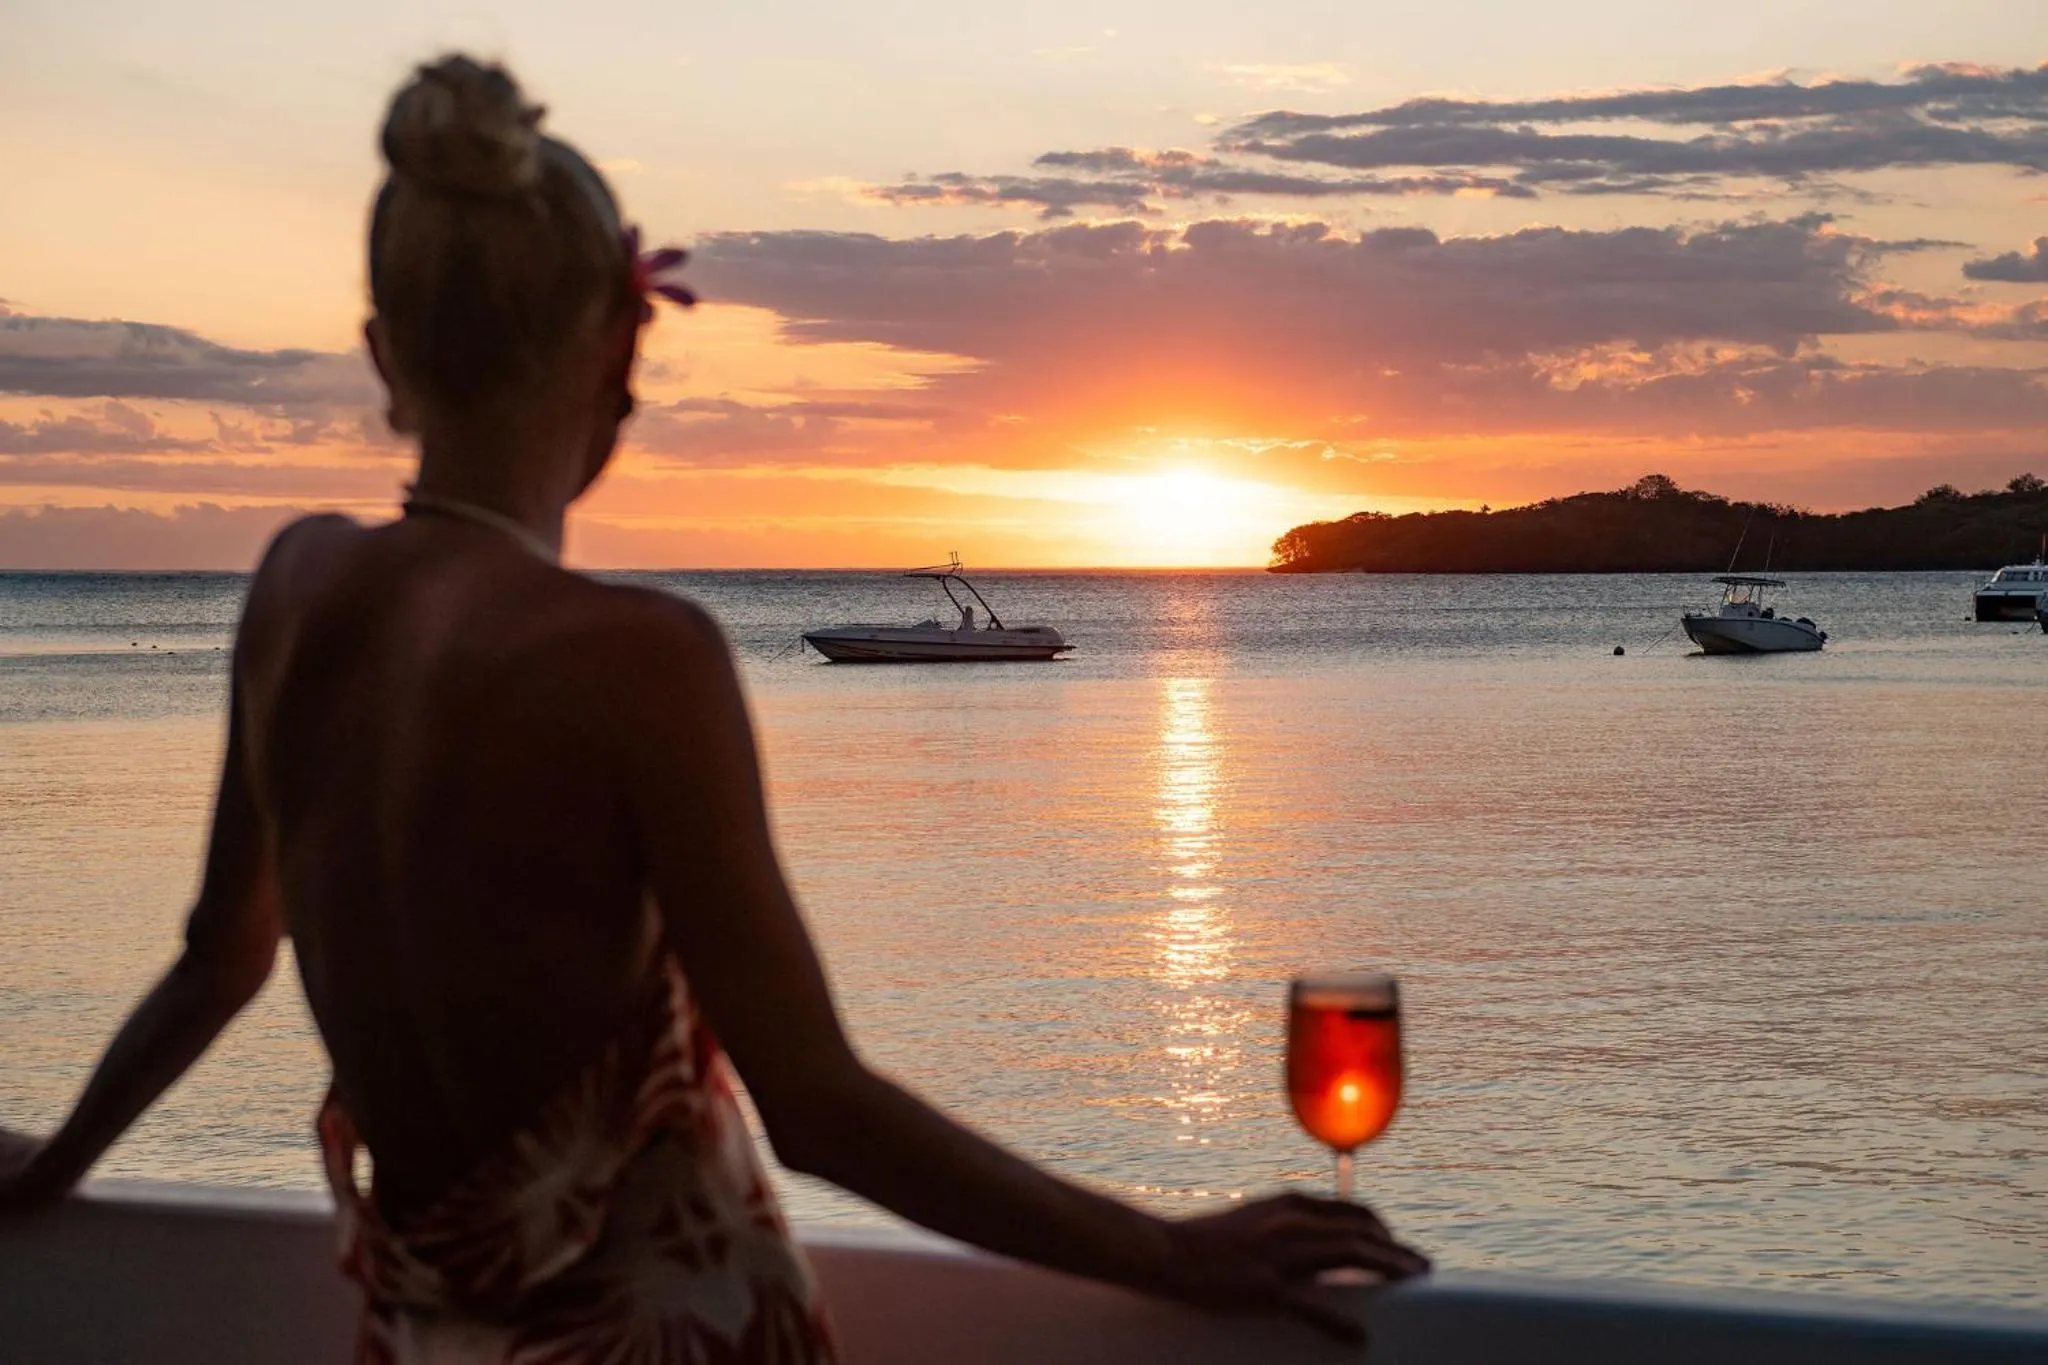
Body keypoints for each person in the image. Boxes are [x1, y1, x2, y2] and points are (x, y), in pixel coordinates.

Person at [0, 54, 1427, 1363]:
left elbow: (218, 960)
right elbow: (816, 1104)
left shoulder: (295, 589)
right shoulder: (638, 658)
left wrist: (52, 1165)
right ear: (620, 359)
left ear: (386, 356)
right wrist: (1169, 1250)